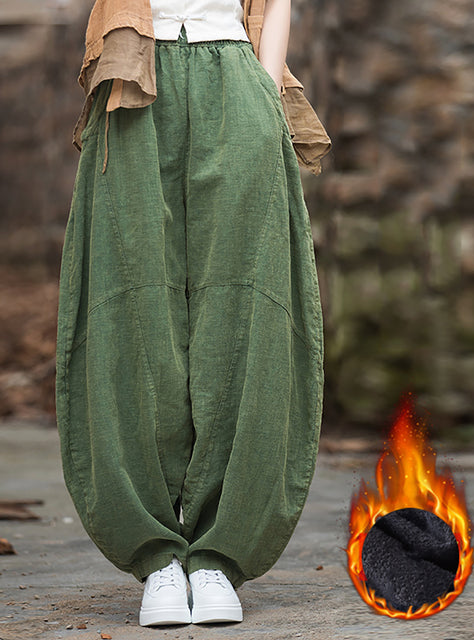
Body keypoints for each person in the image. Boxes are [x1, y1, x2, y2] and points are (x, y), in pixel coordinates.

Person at [55, 0, 326, 627]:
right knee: (130, 307)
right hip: (133, 78)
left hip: (236, 76)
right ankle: (157, 558)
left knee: (246, 308)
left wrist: (264, 84)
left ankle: (218, 557)